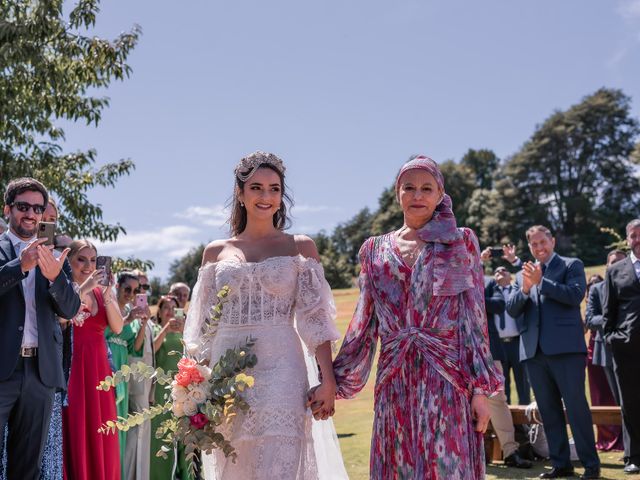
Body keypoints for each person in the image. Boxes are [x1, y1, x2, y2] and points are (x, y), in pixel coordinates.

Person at [329, 156, 502, 479]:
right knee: (399, 464)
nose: (417, 195)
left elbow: (474, 320)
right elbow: (364, 324)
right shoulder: (374, 250)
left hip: (448, 379)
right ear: (398, 193)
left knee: (447, 465)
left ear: (440, 195)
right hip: (395, 380)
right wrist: (332, 381)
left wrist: (481, 390)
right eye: (409, 188)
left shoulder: (460, 241)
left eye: (427, 188)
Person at [184, 151, 347, 479]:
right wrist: (193, 388)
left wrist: (327, 380)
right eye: (256, 187)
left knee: (279, 466)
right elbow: (203, 329)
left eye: (274, 189)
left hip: (282, 374)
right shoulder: (215, 252)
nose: (266, 196)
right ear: (241, 194)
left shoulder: (299, 248)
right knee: (234, 466)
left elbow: (315, 320)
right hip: (226, 378)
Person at [0, 178, 80, 479]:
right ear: (8, 209)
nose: (31, 214)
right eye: (23, 207)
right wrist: (18, 266)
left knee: (28, 468)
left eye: (37, 208)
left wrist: (54, 278)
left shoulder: (54, 256)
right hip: (2, 370)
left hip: (40, 374)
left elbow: (70, 309)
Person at [506, 225, 600, 479]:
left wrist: (542, 283)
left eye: (542, 242)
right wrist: (525, 288)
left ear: (553, 241)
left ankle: (591, 465)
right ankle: (561, 464)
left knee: (576, 407)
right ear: (529, 248)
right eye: (534, 244)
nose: (539, 248)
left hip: (566, 350)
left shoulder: (572, 265)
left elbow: (574, 295)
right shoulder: (522, 275)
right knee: (548, 410)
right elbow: (513, 310)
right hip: (533, 353)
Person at [62, 239, 123, 479]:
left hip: (99, 372)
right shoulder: (63, 288)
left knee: (102, 431)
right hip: (73, 369)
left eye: (93, 260)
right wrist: (83, 288)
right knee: (76, 428)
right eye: (81, 259)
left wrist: (108, 295)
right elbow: (60, 320)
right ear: (69, 262)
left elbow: (117, 327)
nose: (88, 266)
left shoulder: (102, 292)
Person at [603, 219, 640, 474]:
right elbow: (608, 313)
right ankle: (634, 457)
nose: (638, 239)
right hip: (626, 350)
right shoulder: (616, 271)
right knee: (631, 404)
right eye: (633, 236)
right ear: (627, 239)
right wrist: (613, 338)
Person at [484, 275, 532, 468]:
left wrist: (472, 292)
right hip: (457, 349)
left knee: (498, 400)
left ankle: (510, 451)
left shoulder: (488, 282)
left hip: (490, 351)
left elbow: (499, 305)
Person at [150, 295, 193, 480]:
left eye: (173, 307)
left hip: (185, 391)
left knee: (185, 438)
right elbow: (150, 351)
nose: (169, 311)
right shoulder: (156, 330)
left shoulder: (187, 331)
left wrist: (184, 330)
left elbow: (194, 353)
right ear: (159, 312)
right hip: (162, 392)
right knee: (161, 437)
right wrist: (166, 330)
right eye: (165, 307)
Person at [585, 260, 624, 452]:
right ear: (607, 265)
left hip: (632, 349)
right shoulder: (596, 289)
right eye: (613, 262)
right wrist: (618, 320)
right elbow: (591, 320)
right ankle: (625, 444)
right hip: (607, 351)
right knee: (618, 401)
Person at [108, 271, 142, 478]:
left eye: (135, 291)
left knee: (121, 425)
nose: (131, 294)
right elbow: (102, 332)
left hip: (123, 370)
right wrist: (128, 319)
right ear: (118, 287)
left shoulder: (133, 315)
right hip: (106, 365)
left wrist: (143, 323)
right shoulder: (107, 306)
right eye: (127, 289)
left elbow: (134, 349)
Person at [126, 271, 153, 480]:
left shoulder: (146, 317)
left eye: (145, 288)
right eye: (137, 288)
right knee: (133, 432)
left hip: (145, 379)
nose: (141, 292)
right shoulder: (126, 310)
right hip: (130, 376)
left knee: (142, 431)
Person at [493, 266, 531, 405]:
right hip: (498, 345)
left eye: (504, 270)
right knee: (502, 386)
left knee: (523, 383)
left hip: (518, 343)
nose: (500, 272)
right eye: (497, 271)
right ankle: (508, 421)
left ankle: (526, 423)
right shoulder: (491, 293)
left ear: (511, 276)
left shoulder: (516, 291)